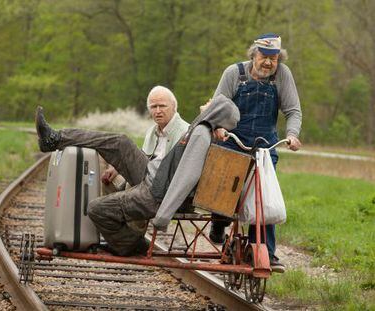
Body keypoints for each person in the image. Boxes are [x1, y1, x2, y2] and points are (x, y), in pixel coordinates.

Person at [36, 89, 238, 257]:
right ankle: (55, 139)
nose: (207, 102)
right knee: (120, 142)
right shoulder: (200, 127)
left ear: (216, 110)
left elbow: (187, 177)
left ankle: (128, 244)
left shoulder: (200, 134)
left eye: (211, 102)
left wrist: (163, 216)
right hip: (153, 177)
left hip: (157, 193)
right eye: (154, 106)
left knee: (96, 208)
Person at [209, 33, 302, 273]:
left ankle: (265, 252)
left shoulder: (282, 75)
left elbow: (293, 110)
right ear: (254, 54)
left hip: (264, 145)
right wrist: (218, 127)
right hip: (232, 140)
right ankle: (219, 222)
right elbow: (217, 105)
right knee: (223, 192)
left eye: (274, 58)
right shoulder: (234, 73)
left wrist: (292, 135)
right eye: (264, 56)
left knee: (264, 199)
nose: (269, 63)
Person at [100, 86, 189, 192]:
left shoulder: (186, 132)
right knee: (107, 172)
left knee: (121, 144)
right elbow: (142, 157)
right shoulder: (151, 131)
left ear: (174, 107)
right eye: (153, 107)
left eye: (162, 106)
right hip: (144, 177)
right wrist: (118, 169)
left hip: (161, 187)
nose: (158, 111)